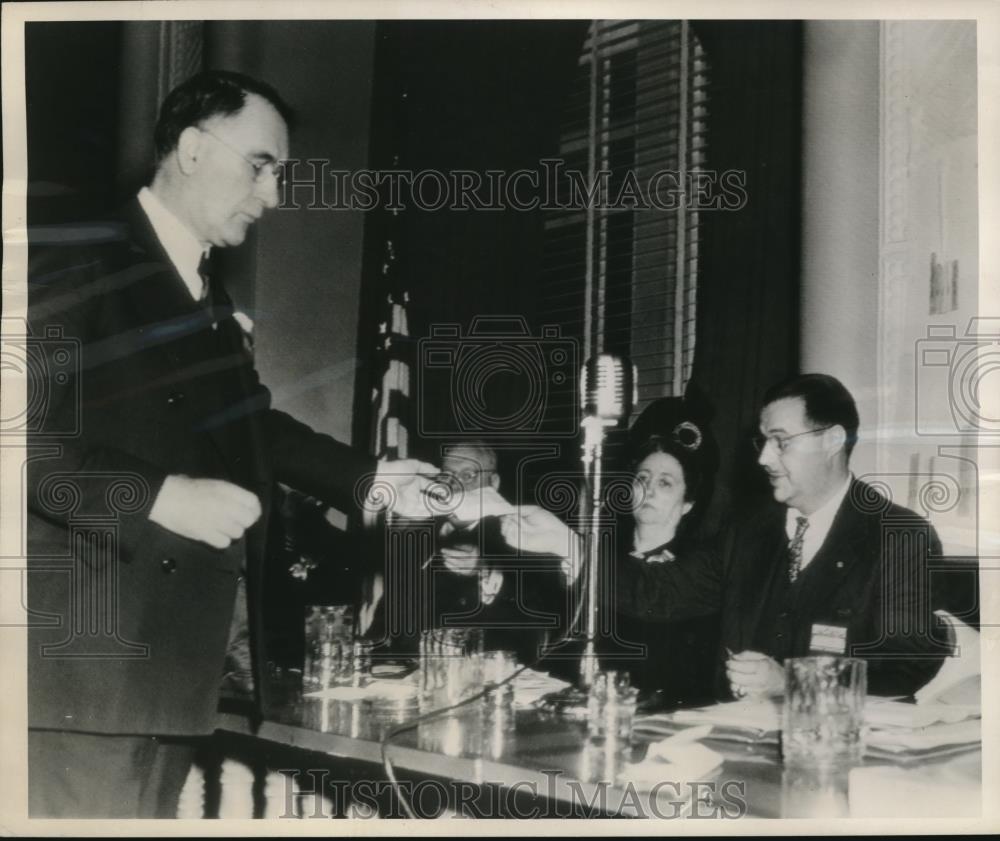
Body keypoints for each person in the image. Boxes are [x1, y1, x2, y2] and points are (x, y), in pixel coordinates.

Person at [26, 70, 437, 817]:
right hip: (82, 681)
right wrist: (157, 494)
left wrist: (372, 479)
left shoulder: (204, 296)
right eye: (260, 165)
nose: (274, 195)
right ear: (189, 148)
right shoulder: (79, 259)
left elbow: (255, 429)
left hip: (168, 680)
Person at [511, 374, 949, 700]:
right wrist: (568, 545)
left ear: (832, 439)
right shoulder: (749, 529)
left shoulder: (898, 536)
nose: (763, 457)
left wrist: (792, 682)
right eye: (762, 441)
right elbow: (662, 592)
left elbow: (907, 665)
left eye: (780, 442)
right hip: (735, 742)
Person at [605, 402, 721, 708]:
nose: (648, 491)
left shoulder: (700, 568)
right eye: (641, 479)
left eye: (665, 483)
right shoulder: (602, 554)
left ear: (688, 503)